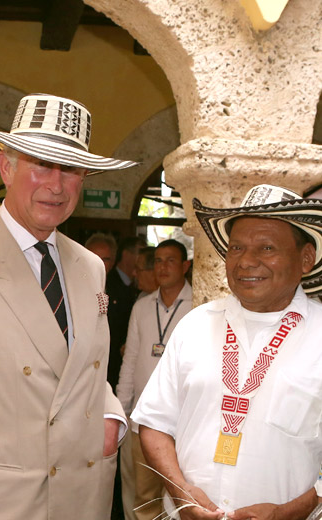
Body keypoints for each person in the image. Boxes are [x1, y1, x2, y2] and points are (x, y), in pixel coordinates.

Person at [0, 93, 137, 520]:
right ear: (6, 167)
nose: (56, 184)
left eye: (69, 169)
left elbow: (85, 366)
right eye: (41, 165)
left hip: (79, 499)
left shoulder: (90, 266)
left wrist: (110, 416)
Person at [132, 184, 322, 520]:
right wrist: (179, 492)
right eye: (236, 247)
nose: (247, 261)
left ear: (306, 258)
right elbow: (154, 423)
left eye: (266, 247)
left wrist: (293, 510)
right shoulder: (194, 325)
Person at [117, 239, 192, 520]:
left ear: (185, 266)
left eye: (170, 260)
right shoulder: (143, 306)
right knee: (144, 499)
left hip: (183, 422)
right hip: (143, 419)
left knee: (183, 499)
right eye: (157, 260)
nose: (162, 266)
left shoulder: (200, 305)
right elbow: (130, 362)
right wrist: (121, 410)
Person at [107, 236, 146, 388]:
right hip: (112, 360)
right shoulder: (109, 282)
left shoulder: (138, 286)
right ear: (125, 254)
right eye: (140, 252)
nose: (143, 258)